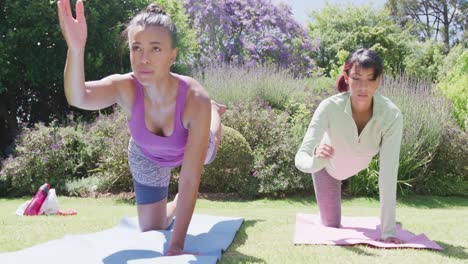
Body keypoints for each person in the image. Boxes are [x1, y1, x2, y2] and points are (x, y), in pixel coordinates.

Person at [57, 0, 226, 255]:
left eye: (155, 49)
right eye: (136, 48)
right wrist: (75, 48)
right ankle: (177, 203)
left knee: (209, 147)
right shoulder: (125, 87)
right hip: (147, 153)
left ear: (173, 55)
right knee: (151, 228)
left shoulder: (194, 98)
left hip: (189, 142)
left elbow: (190, 178)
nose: (143, 58)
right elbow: (78, 97)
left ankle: (214, 112)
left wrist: (177, 245)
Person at [295, 49, 404, 244]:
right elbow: (301, 157)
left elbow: (388, 173)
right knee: (331, 225)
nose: (363, 86)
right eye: (356, 78)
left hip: (359, 164)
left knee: (389, 225)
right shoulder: (329, 107)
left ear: (379, 80)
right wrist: (315, 161)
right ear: (346, 78)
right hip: (328, 169)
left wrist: (388, 231)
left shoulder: (391, 115)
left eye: (371, 79)